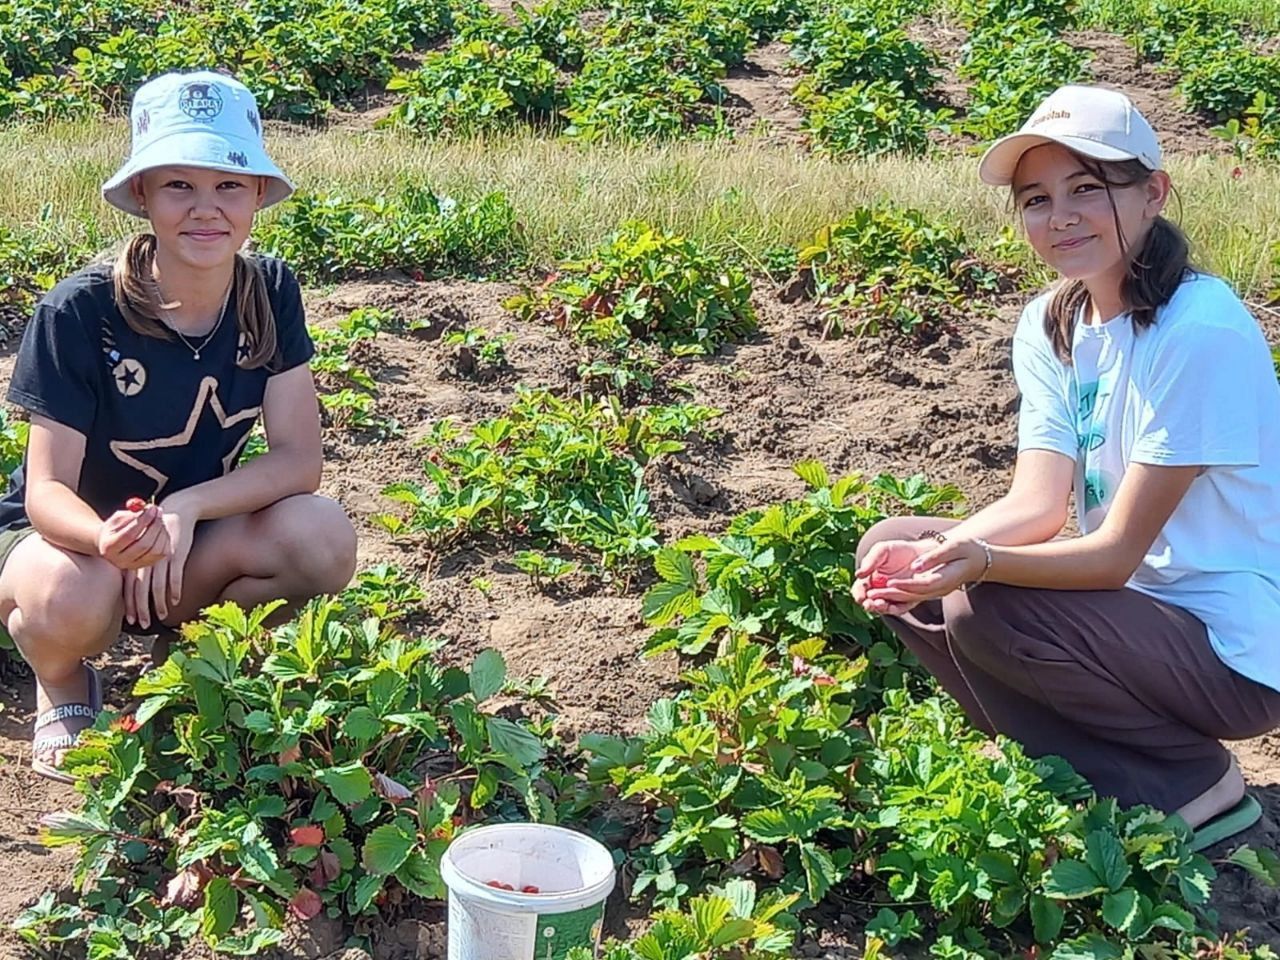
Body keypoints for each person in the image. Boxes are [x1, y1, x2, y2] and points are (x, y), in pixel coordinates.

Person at [853, 84, 1280, 851]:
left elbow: (1114, 554)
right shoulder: (1054, 321)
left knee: (987, 602)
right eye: (1037, 199)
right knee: (900, 548)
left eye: (1089, 188)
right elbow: (1040, 504)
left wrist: (978, 564)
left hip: (1234, 653)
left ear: (1153, 193)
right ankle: (1083, 774)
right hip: (1137, 627)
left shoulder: (1199, 331)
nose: (1062, 217)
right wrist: (929, 562)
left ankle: (1192, 781)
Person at [1, 70, 358, 783]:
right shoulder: (81, 311)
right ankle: (64, 683)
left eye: (228, 185)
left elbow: (297, 462)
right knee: (71, 595)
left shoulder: (269, 292)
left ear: (259, 194)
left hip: (183, 547)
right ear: (141, 195)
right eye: (177, 186)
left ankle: (193, 654)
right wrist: (111, 540)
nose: (206, 210)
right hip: (73, 548)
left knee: (322, 535)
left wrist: (185, 510)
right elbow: (45, 493)